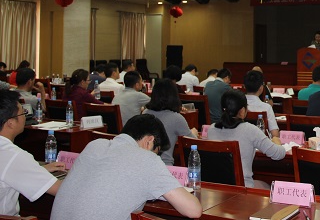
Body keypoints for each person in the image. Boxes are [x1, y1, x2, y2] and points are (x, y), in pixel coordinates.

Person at [50, 114, 202, 220]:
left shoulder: (94, 145)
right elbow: (193, 210)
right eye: (156, 151)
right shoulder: (146, 159)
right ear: (149, 141)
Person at [0, 89, 64, 216]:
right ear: (10, 123)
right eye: (23, 112)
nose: (26, 116)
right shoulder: (14, 155)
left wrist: (38, 170)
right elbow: (62, 191)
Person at [207, 90, 285, 188]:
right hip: (243, 188)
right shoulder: (250, 129)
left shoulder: (212, 129)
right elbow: (278, 154)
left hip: (216, 187)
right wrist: (277, 141)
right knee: (268, 187)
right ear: (242, 111)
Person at [143, 79, 198, 165]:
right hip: (165, 165)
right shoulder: (176, 118)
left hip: (144, 163)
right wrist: (193, 133)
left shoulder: (145, 113)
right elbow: (192, 143)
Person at [244, 70, 279, 137]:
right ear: (261, 88)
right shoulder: (266, 107)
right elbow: (275, 134)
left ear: (244, 86)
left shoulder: (237, 105)